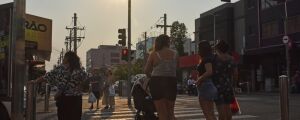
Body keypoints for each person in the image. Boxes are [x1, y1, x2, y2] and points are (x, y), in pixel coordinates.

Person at [29, 51, 87, 120]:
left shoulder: (61, 68)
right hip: (76, 100)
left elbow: (47, 76)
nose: (63, 58)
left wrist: (35, 81)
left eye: (64, 57)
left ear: (67, 58)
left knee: (63, 117)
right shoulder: (79, 70)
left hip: (64, 99)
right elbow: (85, 81)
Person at [144, 34, 178, 120]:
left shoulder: (154, 54)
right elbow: (177, 67)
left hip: (157, 82)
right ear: (168, 42)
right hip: (171, 81)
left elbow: (146, 70)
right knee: (171, 113)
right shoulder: (175, 54)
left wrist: (151, 76)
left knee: (162, 113)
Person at [213, 40, 237, 120]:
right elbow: (235, 73)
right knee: (228, 109)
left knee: (221, 111)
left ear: (218, 49)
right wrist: (234, 84)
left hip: (218, 87)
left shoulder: (215, 58)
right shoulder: (232, 59)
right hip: (228, 87)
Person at [195, 40, 218, 120]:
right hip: (209, 85)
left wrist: (199, 80)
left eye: (199, 48)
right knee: (211, 113)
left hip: (205, 85)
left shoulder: (206, 58)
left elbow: (209, 72)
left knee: (207, 113)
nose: (198, 49)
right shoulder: (212, 57)